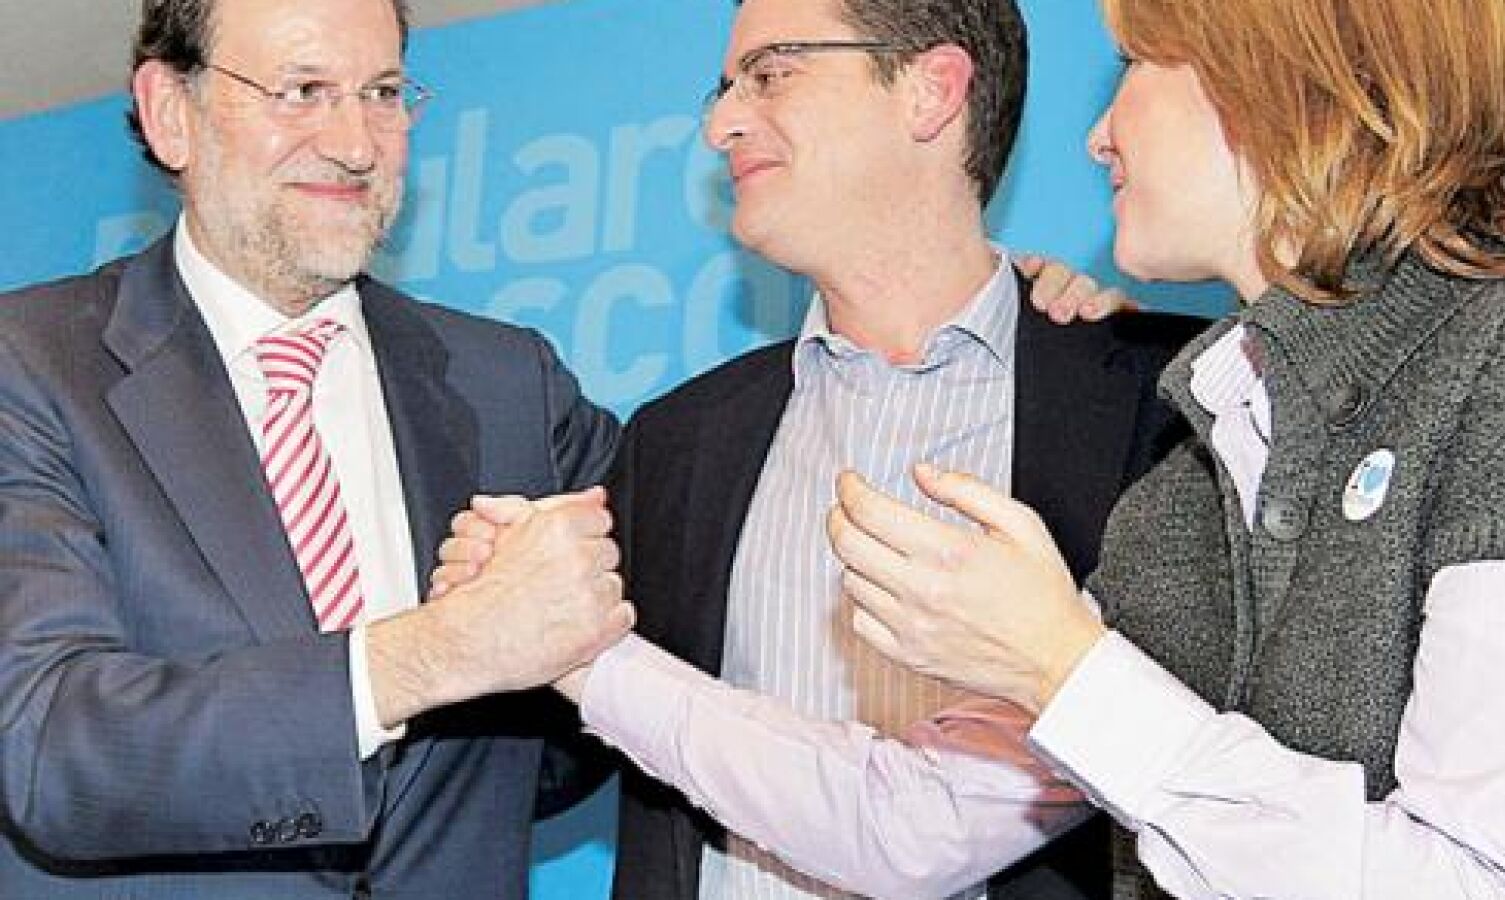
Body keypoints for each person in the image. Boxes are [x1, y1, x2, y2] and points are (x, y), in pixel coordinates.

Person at [827, 0, 1505, 895]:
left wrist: (1058, 665)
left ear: (1283, 71)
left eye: (1135, 65)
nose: (1097, 138)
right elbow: (919, 817)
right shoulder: (1178, 491)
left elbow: (1502, 882)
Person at [437, 0, 1205, 897]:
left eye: (771, 74)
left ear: (930, 90)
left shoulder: (1166, 412)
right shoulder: (676, 442)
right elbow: (541, 764)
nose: (720, 124)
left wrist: (576, 649)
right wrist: (483, 619)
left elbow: (923, 827)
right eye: (725, 88)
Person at [0, 0, 635, 896]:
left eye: (382, 93)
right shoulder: (28, 366)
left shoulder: (511, 385)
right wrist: (430, 653)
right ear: (170, 112)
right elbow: (51, 747)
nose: (355, 144)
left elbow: (597, 702)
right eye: (303, 91)